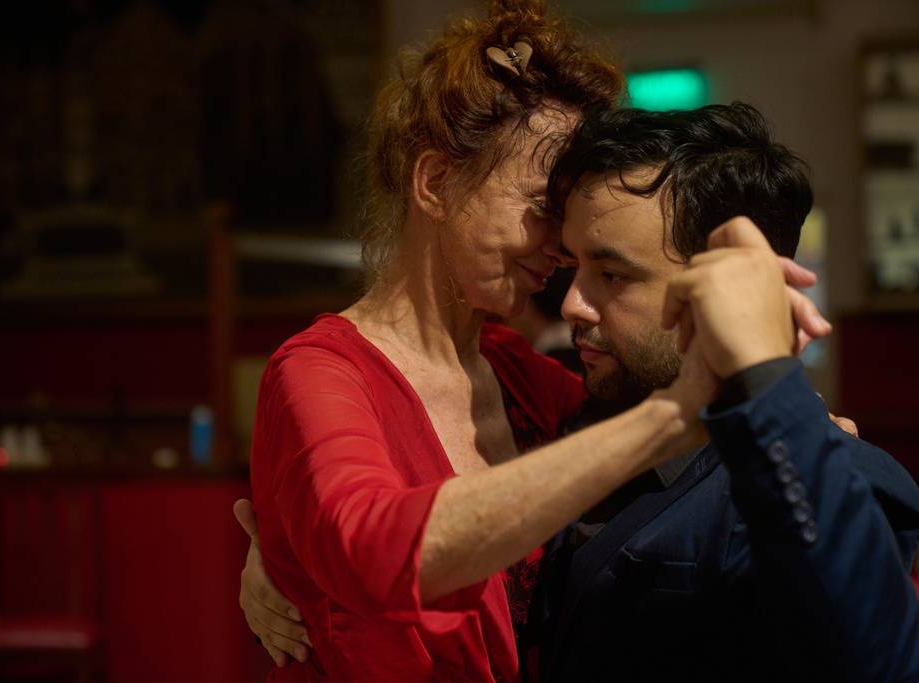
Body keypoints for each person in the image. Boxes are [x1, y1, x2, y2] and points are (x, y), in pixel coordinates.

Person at [240, 102, 919, 682]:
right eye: (573, 266)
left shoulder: (833, 470)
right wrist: (285, 559)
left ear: (725, 286)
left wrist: (776, 402)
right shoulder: (579, 419)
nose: (572, 306)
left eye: (613, 275)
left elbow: (874, 656)